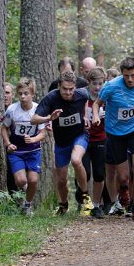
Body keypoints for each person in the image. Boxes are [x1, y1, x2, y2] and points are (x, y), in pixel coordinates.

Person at [92, 57, 134, 221]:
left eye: (133, 75)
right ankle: (124, 189)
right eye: (126, 75)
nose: (129, 79)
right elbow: (96, 104)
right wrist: (95, 116)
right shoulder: (111, 86)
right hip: (115, 132)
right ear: (122, 74)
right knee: (122, 176)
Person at [32, 71, 93, 216]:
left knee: (76, 160)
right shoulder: (51, 98)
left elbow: (90, 101)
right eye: (65, 89)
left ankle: (85, 198)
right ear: (59, 86)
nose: (68, 92)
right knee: (61, 179)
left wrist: (85, 116)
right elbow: (33, 119)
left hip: (79, 135)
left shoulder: (82, 94)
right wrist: (49, 118)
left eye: (71, 89)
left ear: (75, 87)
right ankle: (63, 205)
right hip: (61, 141)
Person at [1, 78, 46, 215]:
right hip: (17, 150)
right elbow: (4, 128)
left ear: (32, 94)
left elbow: (43, 133)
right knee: (21, 180)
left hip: (33, 150)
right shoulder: (12, 109)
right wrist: (8, 144)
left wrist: (32, 139)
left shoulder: (39, 110)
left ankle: (27, 205)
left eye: (26, 93)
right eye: (20, 93)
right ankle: (26, 197)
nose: (23, 96)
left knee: (33, 180)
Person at [83, 67, 107, 218]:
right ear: (89, 83)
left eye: (100, 84)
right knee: (85, 173)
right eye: (94, 84)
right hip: (84, 139)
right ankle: (84, 202)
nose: (97, 87)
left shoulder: (107, 97)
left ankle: (97, 205)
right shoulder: (82, 97)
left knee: (99, 174)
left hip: (101, 139)